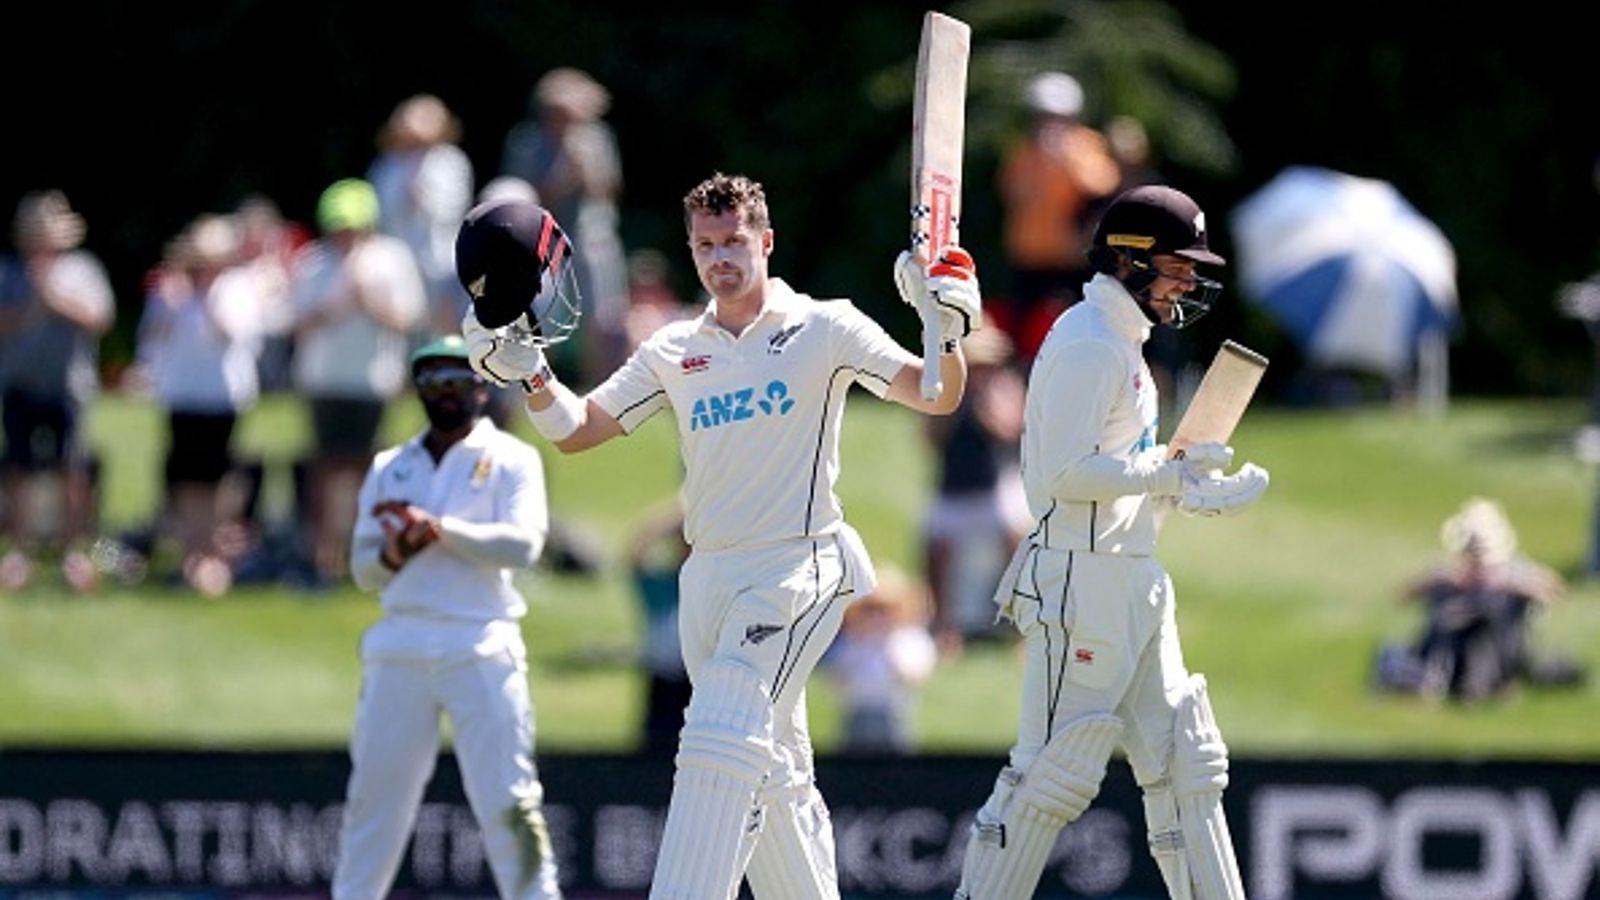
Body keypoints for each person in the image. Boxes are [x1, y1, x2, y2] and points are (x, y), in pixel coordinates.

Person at [456, 173, 981, 899]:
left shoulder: (825, 327)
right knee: (775, 774)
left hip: (800, 568)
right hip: (708, 582)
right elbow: (579, 431)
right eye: (705, 246)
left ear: (765, 241)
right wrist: (532, 374)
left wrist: (947, 329)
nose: (720, 259)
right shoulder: (675, 348)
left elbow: (936, 392)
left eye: (734, 242)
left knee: (719, 735)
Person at [953, 185, 1270, 900]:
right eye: (1177, 266)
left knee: (1186, 764)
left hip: (1131, 577)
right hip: (1079, 583)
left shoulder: (1121, 341)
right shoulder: (1090, 342)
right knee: (1049, 776)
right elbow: (1062, 476)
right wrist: (1168, 472)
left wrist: (1189, 488)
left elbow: (1127, 471)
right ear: (1129, 262)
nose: (1188, 283)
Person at [333, 334, 560, 900]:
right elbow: (364, 569)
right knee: (374, 804)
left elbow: (523, 546)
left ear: (483, 386)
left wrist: (439, 530)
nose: (446, 393)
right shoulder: (391, 465)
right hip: (400, 646)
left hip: (480, 641)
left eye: (458, 380)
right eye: (433, 382)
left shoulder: (512, 458)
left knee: (510, 799)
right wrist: (399, 549)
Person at [288, 178, 426, 585]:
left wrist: (368, 301)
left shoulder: (392, 259)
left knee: (369, 470)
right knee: (325, 468)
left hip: (372, 382)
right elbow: (296, 322)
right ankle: (323, 557)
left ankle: (366, 555)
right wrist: (333, 307)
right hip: (323, 381)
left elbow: (407, 319)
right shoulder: (313, 262)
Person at [134, 213, 263, 596]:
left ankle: (215, 555)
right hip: (181, 395)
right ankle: (191, 553)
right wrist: (172, 303)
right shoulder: (169, 292)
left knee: (217, 478)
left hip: (221, 397)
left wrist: (206, 298)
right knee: (185, 479)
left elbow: (232, 333)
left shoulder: (236, 287)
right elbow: (152, 340)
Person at [0, 190, 115, 592]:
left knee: (73, 470)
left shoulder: (82, 270)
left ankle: (72, 551)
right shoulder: (9, 271)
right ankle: (19, 552)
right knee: (18, 470)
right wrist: (29, 306)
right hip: (19, 384)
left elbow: (100, 318)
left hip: (70, 387)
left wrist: (54, 300)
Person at [1375, 497, 1586, 701]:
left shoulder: (1513, 575)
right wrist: (1439, 580)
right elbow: (1401, 596)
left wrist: (1509, 583)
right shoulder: (1449, 576)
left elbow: (1555, 591)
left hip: (1500, 656)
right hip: (1448, 652)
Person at [499, 67, 629, 387]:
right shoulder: (527, 142)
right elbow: (522, 196)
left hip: (592, 237)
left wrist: (584, 171)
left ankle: (601, 386)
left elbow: (610, 189)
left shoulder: (597, 138)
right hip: (543, 238)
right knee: (543, 314)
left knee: (603, 316)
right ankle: (542, 382)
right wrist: (561, 178)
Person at [995, 71, 1121, 365]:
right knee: (1020, 331)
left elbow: (1102, 187)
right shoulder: (1025, 154)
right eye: (1041, 116)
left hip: (1070, 260)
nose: (1047, 124)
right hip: (1029, 257)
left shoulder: (1087, 147)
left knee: (1079, 324)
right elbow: (1012, 193)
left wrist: (1064, 159)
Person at [920, 320, 1030, 652]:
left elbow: (1012, 430)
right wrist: (953, 406)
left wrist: (986, 406)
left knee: (1016, 547)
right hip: (952, 486)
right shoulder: (942, 389)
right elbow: (931, 438)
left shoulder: (1004, 386)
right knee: (935, 551)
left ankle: (1020, 629)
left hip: (993, 485)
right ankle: (944, 624)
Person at [367, 93, 476, 338]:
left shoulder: (451, 161)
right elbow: (378, 213)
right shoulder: (387, 164)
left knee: (439, 327)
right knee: (402, 328)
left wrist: (423, 198)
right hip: (398, 257)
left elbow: (454, 209)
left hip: (439, 261)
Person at [824, 564, 939, 755]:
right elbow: (837, 675)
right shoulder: (852, 641)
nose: (877, 617)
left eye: (885, 610)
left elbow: (914, 675)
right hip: (857, 709)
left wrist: (890, 653)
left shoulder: (908, 639)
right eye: (870, 610)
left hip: (893, 709)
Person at [625, 494, 693, 755]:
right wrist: (681, 510)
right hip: (665, 683)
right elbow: (636, 552)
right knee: (655, 753)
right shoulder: (663, 585)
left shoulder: (717, 583)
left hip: (703, 683)